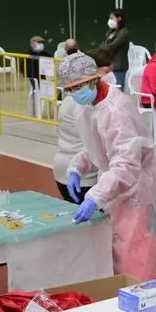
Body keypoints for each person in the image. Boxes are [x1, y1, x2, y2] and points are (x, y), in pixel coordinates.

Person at [60, 52, 156, 280]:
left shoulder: (117, 110)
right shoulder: (88, 106)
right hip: (118, 190)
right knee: (118, 256)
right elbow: (98, 147)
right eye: (70, 89)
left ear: (94, 79)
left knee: (136, 264)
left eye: (78, 87)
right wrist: (77, 167)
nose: (74, 93)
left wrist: (95, 196)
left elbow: (125, 164)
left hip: (138, 190)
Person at [52, 49, 107, 203]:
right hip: (82, 173)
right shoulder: (84, 105)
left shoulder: (69, 101)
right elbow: (97, 144)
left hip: (64, 166)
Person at [100, 8, 130, 88]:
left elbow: (110, 47)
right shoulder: (111, 31)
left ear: (119, 18)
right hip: (109, 65)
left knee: (118, 90)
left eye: (112, 18)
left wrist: (106, 44)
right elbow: (102, 45)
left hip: (118, 67)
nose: (110, 20)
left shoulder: (124, 33)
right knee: (108, 89)